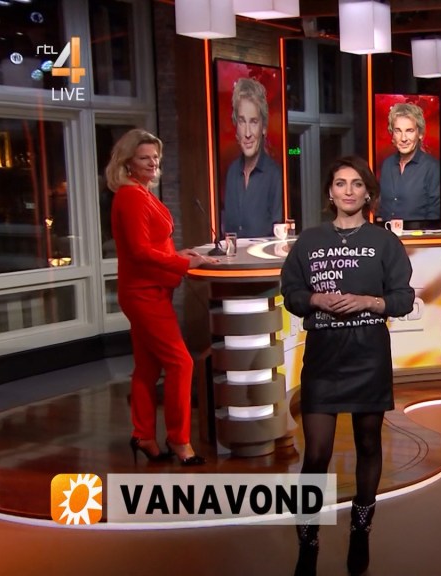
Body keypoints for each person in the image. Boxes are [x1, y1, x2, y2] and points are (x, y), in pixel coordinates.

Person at [281, 156, 415, 576]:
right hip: (324, 357)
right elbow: (291, 292)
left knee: (368, 444)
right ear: (330, 192)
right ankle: (308, 544)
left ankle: (360, 531)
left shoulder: (384, 242)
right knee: (316, 454)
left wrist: (367, 302)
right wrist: (315, 299)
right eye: (340, 183)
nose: (349, 191)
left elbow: (403, 298)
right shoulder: (309, 241)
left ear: (368, 193)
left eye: (357, 184)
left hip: (367, 355)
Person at [108, 128, 213, 466]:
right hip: (143, 295)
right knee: (181, 363)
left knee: (147, 367)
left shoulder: (142, 192)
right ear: (128, 162)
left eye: (155, 156)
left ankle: (143, 436)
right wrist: (184, 264)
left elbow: (152, 245)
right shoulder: (131, 197)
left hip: (151, 290)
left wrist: (179, 253)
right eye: (144, 158)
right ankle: (179, 440)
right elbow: (139, 251)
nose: (153, 162)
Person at [222, 77, 283, 237]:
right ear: (236, 126)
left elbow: (280, 237)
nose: (248, 133)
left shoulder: (275, 175)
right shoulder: (232, 172)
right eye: (242, 122)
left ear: (263, 128)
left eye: (254, 122)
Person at [377, 102, 441, 223]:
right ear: (392, 134)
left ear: (420, 134)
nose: (403, 138)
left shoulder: (432, 167)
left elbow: (434, 215)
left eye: (409, 131)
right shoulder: (387, 164)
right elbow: (381, 209)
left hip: (418, 234)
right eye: (398, 131)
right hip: (386, 233)